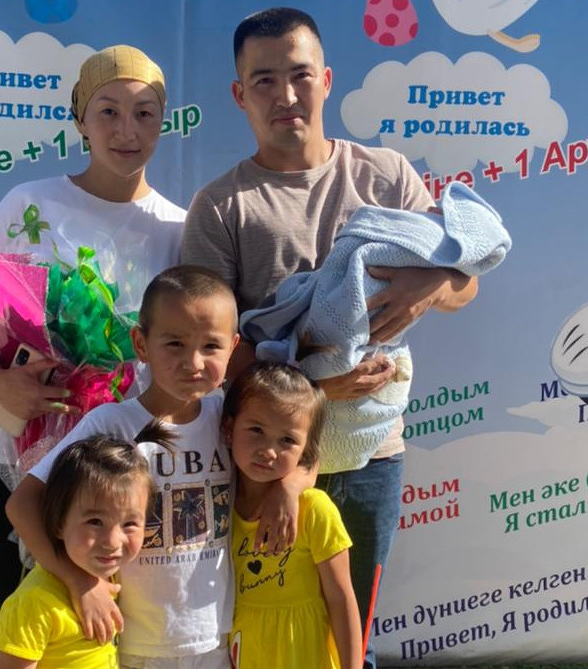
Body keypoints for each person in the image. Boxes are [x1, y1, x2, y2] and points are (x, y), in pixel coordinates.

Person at [180, 8, 478, 668]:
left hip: (371, 456)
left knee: (350, 636)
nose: (285, 95)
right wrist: (313, 384)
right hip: (264, 463)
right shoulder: (221, 206)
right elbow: (212, 349)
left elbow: (466, 286)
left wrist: (429, 285)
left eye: (299, 75)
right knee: (261, 636)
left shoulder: (386, 175)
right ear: (239, 94)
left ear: (327, 80)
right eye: (264, 80)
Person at [0, 44, 185, 669]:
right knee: (5, 622)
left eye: (144, 113)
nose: (126, 130)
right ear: (80, 119)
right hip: (10, 448)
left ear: (164, 122)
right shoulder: (30, 202)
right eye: (108, 111)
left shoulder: (178, 229)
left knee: (104, 626)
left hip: (111, 465)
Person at [7, 265, 241, 669]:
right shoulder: (110, 423)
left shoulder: (231, 418)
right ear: (141, 344)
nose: (193, 362)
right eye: (175, 344)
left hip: (216, 637)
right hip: (132, 643)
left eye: (210, 346)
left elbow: (296, 454)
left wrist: (289, 487)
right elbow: (22, 504)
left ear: (233, 347)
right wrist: (78, 580)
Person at [223, 361, 361, 669]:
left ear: (305, 449)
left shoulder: (315, 509)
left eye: (287, 440)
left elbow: (341, 599)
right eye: (256, 430)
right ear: (229, 429)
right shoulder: (220, 507)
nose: (269, 451)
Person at [0, 431, 156, 669]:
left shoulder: (113, 578)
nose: (112, 542)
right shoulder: (34, 603)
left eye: (129, 524)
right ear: (59, 523)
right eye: (95, 522)